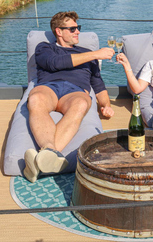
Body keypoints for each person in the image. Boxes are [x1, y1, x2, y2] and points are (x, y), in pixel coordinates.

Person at [24, 11, 115, 183]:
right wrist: (96, 54)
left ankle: (41, 160)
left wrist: (106, 105)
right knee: (35, 99)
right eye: (73, 29)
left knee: (81, 103)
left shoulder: (87, 53)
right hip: (49, 88)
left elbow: (98, 85)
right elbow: (55, 63)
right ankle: (50, 154)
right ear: (59, 31)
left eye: (78, 28)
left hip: (75, 91)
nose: (78, 32)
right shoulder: (44, 48)